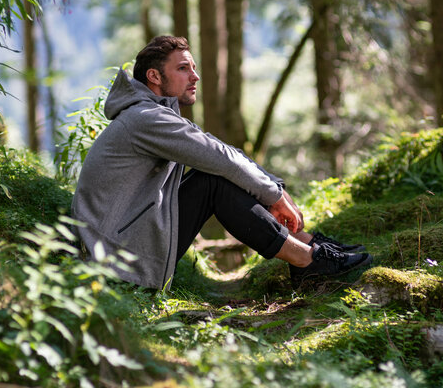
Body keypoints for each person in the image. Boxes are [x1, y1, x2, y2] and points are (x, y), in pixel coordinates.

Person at [71, 36, 372, 290]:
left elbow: (219, 151)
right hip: (117, 260)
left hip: (126, 242)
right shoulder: (145, 120)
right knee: (214, 181)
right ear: (154, 76)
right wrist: (275, 194)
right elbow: (220, 158)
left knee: (218, 175)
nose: (195, 76)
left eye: (194, 67)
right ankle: (308, 261)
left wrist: (274, 188)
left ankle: (310, 247)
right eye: (183, 68)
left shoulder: (154, 114)